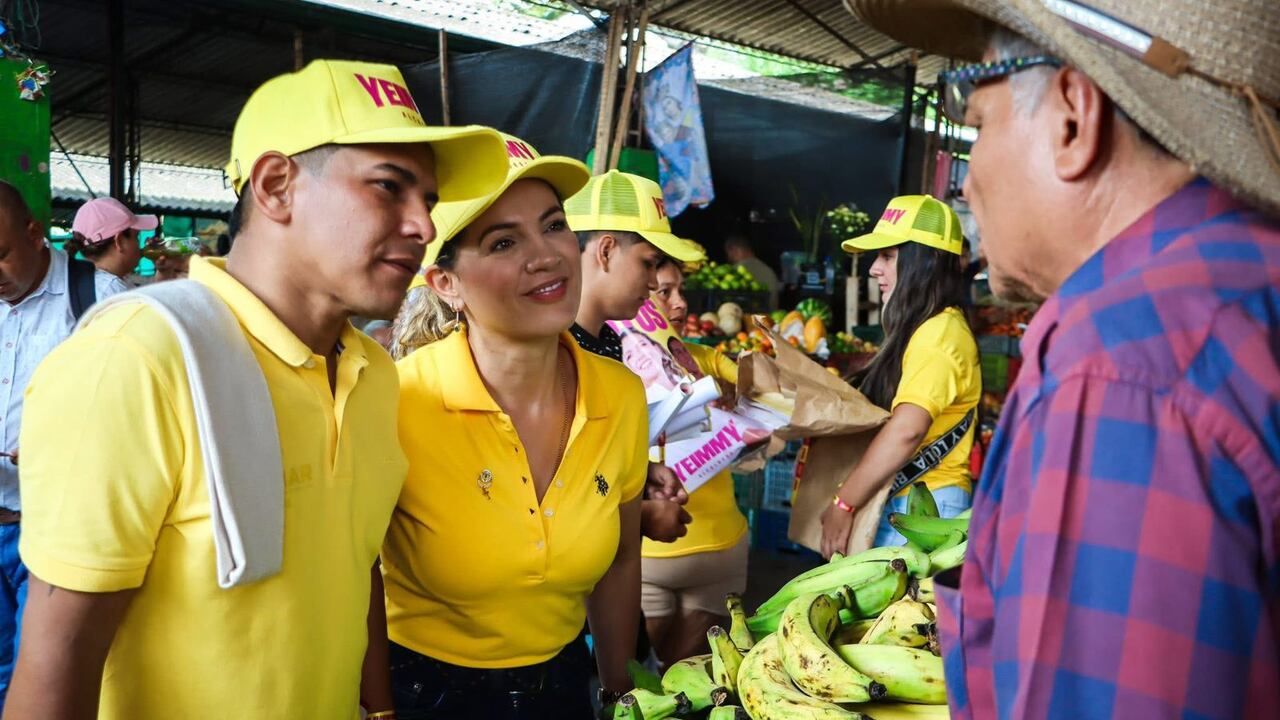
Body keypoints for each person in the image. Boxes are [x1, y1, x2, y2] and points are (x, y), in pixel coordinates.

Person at [5, 59, 507, 720]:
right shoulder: (136, 360)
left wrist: (378, 709)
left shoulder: (374, 373)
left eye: (429, 203)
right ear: (276, 186)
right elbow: (57, 665)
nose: (423, 226)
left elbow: (356, 568)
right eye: (390, 187)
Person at [849, 0, 1280, 716]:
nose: (966, 182)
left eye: (977, 126)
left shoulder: (1120, 367)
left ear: (1074, 119)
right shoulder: (1244, 286)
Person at [382, 134, 642, 718]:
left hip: (564, 686)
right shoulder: (398, 399)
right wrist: (375, 706)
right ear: (445, 284)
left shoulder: (620, 393)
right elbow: (356, 581)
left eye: (553, 226)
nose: (546, 255)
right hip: (424, 695)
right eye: (503, 241)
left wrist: (619, 691)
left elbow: (624, 560)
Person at [0, 182, 130, 712]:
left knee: (47, 676)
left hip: (57, 535)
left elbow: (134, 424)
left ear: (35, 234)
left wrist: (62, 447)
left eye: (0, 254)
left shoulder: (101, 302)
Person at [820, 194, 980, 556]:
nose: (874, 268)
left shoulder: (939, 333)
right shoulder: (928, 328)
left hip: (926, 506)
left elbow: (908, 429)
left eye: (888, 257)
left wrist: (843, 503)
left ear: (926, 263)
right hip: (907, 501)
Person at [566, 170, 706, 545]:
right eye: (648, 262)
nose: (651, 282)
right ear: (606, 251)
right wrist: (638, 517)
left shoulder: (608, 341)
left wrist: (640, 475)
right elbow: (546, 481)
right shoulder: (551, 348)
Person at [644, 261, 749, 667]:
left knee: (691, 692)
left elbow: (772, 394)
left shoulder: (704, 359)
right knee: (631, 693)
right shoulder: (603, 366)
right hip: (642, 566)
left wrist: (738, 392)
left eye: (681, 290)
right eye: (665, 292)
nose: (680, 303)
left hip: (719, 559)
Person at [65, 197, 151, 292]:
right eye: (136, 237)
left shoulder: (78, 281)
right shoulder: (114, 289)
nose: (139, 245)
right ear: (119, 241)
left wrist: (164, 272)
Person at [723, 232, 779, 308]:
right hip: (769, 318)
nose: (729, 257)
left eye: (728, 253)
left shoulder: (734, 273)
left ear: (733, 250)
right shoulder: (769, 271)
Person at [620, 329, 686, 391]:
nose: (640, 354)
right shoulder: (644, 401)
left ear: (657, 347)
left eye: (642, 344)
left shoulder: (686, 375)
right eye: (629, 356)